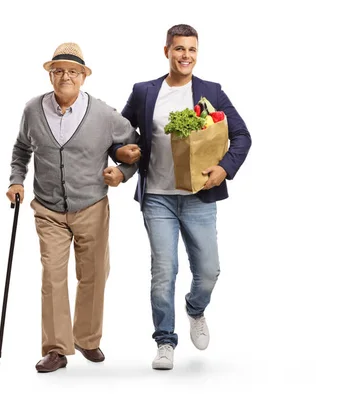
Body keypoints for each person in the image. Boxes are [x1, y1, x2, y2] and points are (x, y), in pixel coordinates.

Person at [114, 24, 252, 370]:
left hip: (199, 196)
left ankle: (195, 308)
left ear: (197, 53)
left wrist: (224, 169)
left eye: (191, 49)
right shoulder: (145, 92)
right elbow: (118, 132)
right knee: (164, 270)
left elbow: (241, 136)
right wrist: (121, 151)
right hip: (157, 197)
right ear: (166, 51)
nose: (185, 55)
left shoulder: (211, 91)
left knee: (208, 271)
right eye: (178, 49)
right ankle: (164, 340)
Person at [6, 42, 139, 373]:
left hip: (91, 206)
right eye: (59, 70)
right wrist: (16, 180)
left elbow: (135, 147)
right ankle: (56, 348)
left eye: (73, 71)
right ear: (51, 75)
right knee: (52, 276)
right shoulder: (32, 110)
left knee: (94, 273)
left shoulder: (105, 115)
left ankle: (87, 338)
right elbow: (22, 148)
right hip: (48, 208)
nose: (65, 76)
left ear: (83, 77)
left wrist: (121, 172)